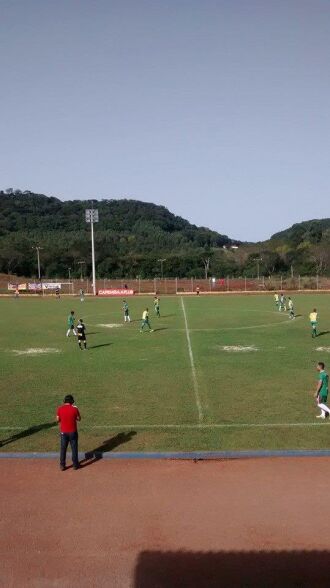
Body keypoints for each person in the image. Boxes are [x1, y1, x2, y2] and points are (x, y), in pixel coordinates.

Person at [56, 394, 81, 470]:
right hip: (73, 432)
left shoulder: (60, 409)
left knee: (63, 449)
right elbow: (79, 419)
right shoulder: (75, 409)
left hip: (63, 432)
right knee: (74, 448)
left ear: (64, 401)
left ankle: (62, 465)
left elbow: (57, 420)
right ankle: (75, 465)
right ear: (72, 401)